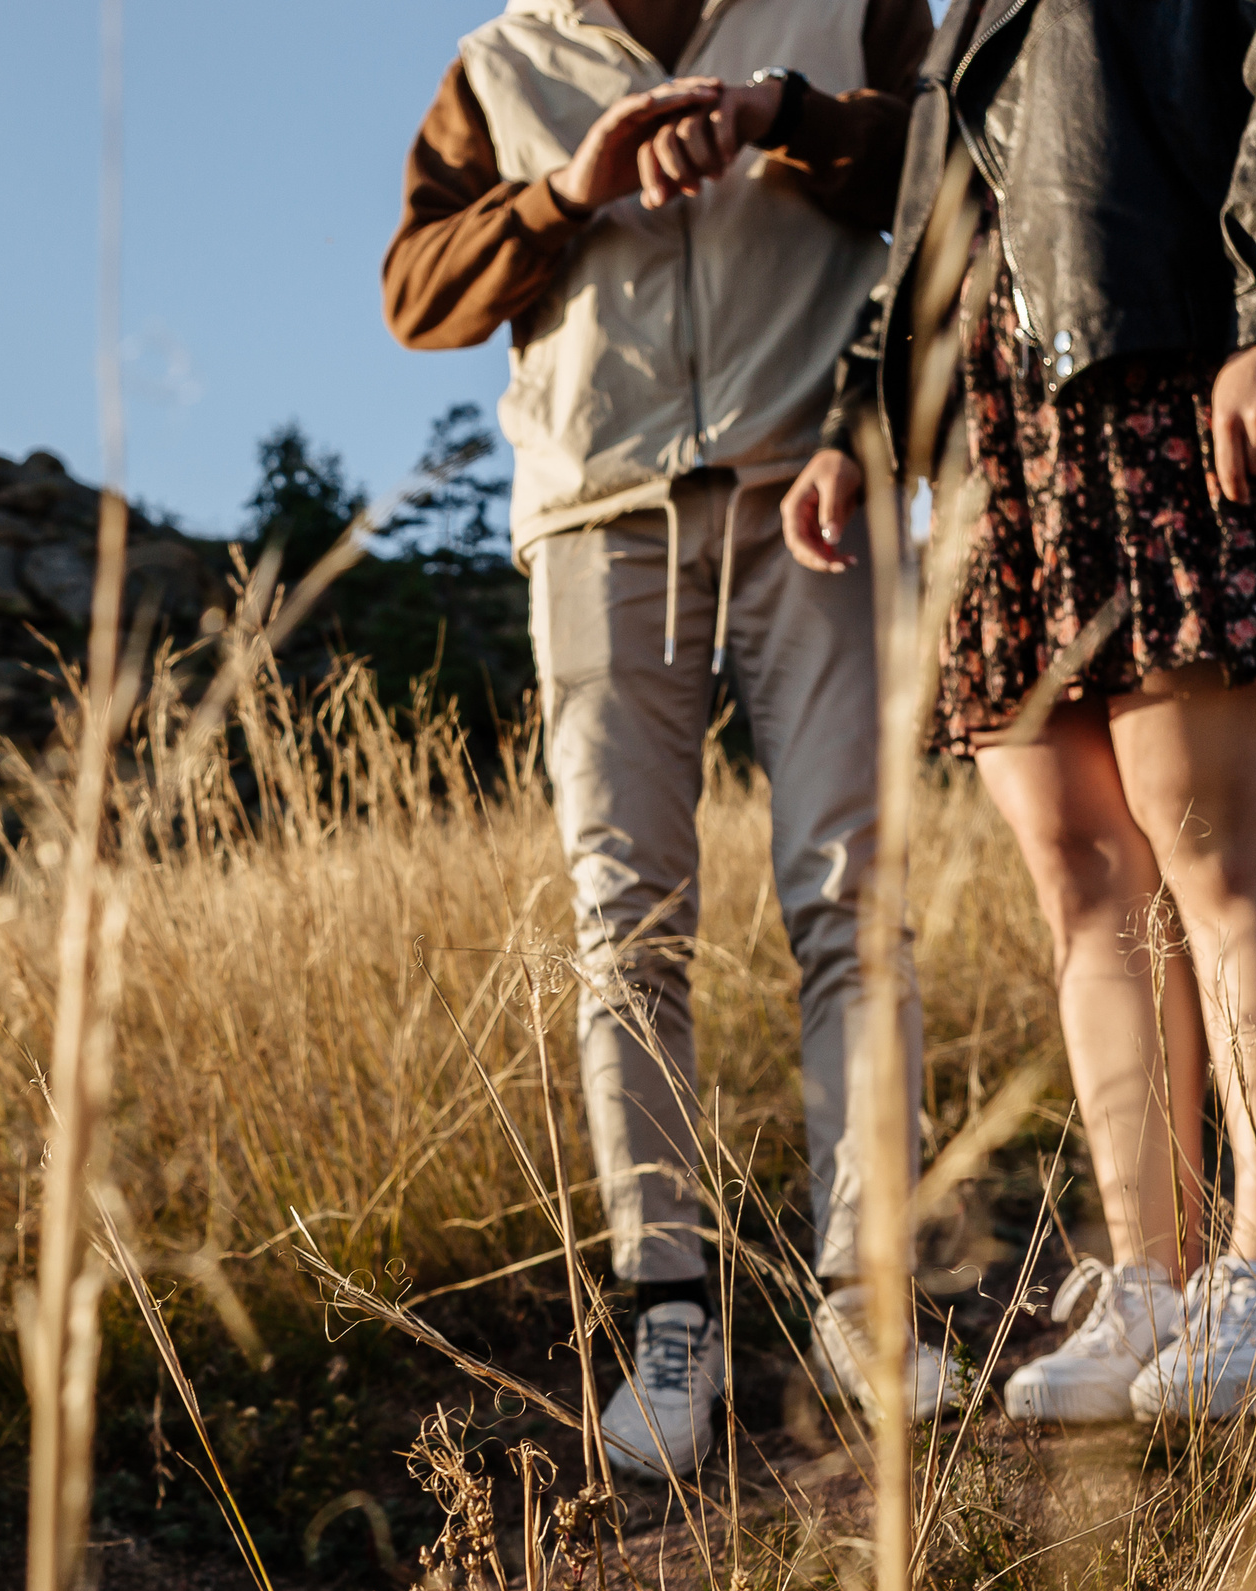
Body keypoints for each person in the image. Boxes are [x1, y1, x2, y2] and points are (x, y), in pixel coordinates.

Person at [781, 0, 1256, 1422]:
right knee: (1080, 872)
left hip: (1167, 355)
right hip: (997, 427)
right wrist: (852, 419)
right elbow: (946, 192)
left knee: (1216, 845)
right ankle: (1154, 1281)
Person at [383, 0, 943, 1476]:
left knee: (851, 897)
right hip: (598, 524)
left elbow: (955, 165)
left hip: (816, 487)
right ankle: (670, 1313)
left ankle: (869, 1298)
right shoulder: (500, 65)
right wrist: (573, 188)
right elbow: (416, 291)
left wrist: (784, 118)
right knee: (626, 922)